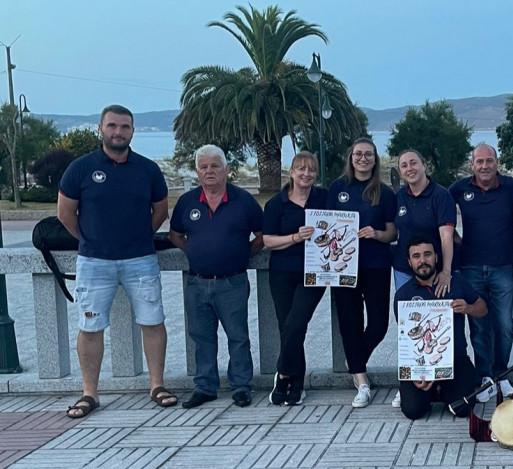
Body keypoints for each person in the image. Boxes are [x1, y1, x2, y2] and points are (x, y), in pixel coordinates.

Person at [58, 104, 177, 418]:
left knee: (152, 320)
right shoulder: (80, 169)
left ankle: (157, 385)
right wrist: (90, 239)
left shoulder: (148, 170)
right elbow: (65, 214)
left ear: (132, 132)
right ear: (101, 129)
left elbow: (160, 211)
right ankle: (89, 394)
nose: (118, 132)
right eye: (112, 126)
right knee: (90, 325)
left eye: (124, 127)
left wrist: (138, 236)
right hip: (94, 262)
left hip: (141, 260)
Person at [169, 145, 264, 408]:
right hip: (197, 283)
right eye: (204, 167)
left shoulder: (243, 200)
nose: (209, 171)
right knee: (201, 337)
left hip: (232, 282)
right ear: (197, 171)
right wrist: (197, 253)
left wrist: (243, 253)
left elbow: (262, 235)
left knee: (238, 336)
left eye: (215, 166)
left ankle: (241, 386)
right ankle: (205, 386)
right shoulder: (187, 202)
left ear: (226, 170)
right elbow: (175, 235)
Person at [325, 138, 398, 408]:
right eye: (358, 154)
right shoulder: (337, 188)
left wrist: (376, 233)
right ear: (351, 157)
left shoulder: (385, 193)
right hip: (343, 267)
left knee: (379, 324)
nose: (363, 158)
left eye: (368, 154)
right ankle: (362, 381)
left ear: (375, 159)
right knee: (349, 323)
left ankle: (354, 358)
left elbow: (393, 232)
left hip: (376, 264)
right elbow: (326, 225)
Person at [448, 144, 513, 403]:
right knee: (478, 326)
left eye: (489, 161)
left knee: (505, 326)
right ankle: (485, 376)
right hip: (471, 268)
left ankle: (502, 373)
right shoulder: (459, 188)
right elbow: (440, 209)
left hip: (503, 267)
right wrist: (452, 236)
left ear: (497, 163)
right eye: (479, 161)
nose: (485, 166)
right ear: (472, 165)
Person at [395, 236, 487, 420]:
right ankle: (434, 391)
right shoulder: (403, 294)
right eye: (416, 256)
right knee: (413, 411)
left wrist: (468, 308)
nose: (423, 261)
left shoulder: (457, 283)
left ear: (437, 257)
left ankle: (445, 389)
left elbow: (483, 308)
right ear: (409, 262)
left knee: (462, 409)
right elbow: (406, 340)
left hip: (455, 358)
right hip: (420, 362)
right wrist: (415, 373)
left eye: (427, 254)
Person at [391, 149, 457, 408]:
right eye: (404, 165)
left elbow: (446, 237)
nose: (409, 168)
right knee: (409, 329)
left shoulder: (441, 196)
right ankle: (410, 381)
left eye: (413, 163)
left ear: (424, 164)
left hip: (435, 271)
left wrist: (446, 271)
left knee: (438, 327)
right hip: (404, 270)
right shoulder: (399, 197)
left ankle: (440, 377)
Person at [262, 151, 328, 406]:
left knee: (296, 323)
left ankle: (283, 374)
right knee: (286, 326)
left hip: (316, 272)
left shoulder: (324, 198)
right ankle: (295, 383)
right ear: (291, 172)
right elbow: (268, 241)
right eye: (301, 169)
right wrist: (294, 237)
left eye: (311, 170)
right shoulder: (276, 204)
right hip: (282, 272)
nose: (306, 174)